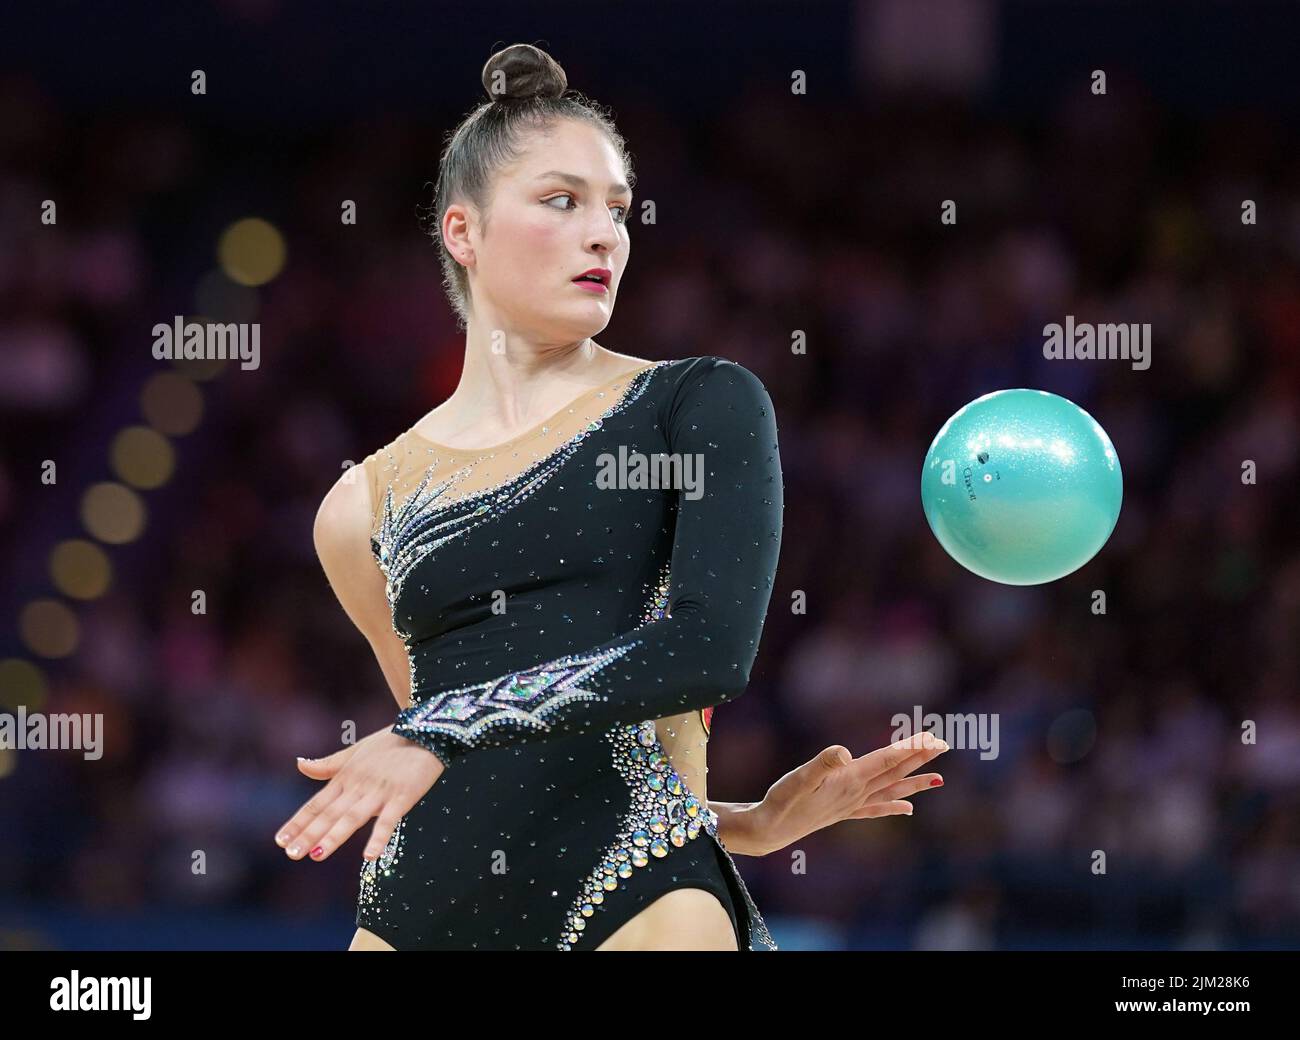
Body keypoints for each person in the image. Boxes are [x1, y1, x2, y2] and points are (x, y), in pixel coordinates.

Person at [273, 42, 949, 951]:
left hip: (634, 886)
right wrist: (747, 821)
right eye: (562, 201)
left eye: (619, 209)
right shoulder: (360, 506)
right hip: (419, 907)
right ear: (463, 232)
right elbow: (499, 753)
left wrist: (441, 724)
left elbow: (704, 647)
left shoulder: (695, 405)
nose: (606, 234)